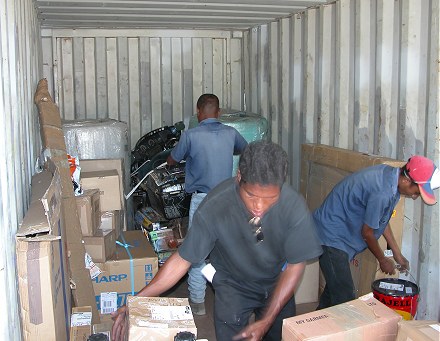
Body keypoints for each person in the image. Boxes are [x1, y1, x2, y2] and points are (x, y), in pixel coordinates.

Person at [112, 140, 322, 341]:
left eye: (270, 199)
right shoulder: (216, 206)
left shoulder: (293, 206)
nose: (259, 206)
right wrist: (136, 300)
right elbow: (182, 260)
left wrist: (267, 320)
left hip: (277, 282)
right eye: (251, 195)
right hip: (234, 286)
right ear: (239, 177)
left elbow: (295, 265)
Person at [313, 155, 440, 309]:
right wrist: (383, 260)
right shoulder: (383, 192)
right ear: (406, 180)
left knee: (334, 293)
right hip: (331, 236)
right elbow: (367, 233)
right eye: (416, 192)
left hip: (339, 235)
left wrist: (396, 253)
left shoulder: (390, 177)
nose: (414, 197)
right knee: (345, 300)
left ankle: (314, 329)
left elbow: (381, 221)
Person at [166, 93, 248, 315]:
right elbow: (244, 150)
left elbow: (172, 159)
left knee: (197, 252)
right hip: (228, 199)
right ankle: (233, 300)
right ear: (218, 112)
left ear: (198, 112)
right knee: (229, 249)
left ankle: (198, 303)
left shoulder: (190, 135)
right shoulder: (231, 133)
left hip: (202, 201)